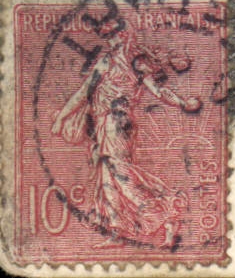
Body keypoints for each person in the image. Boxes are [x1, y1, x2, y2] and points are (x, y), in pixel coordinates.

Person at [50, 17, 203, 249]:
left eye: (114, 35)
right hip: (103, 124)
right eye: (108, 37)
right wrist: (62, 117)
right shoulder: (107, 61)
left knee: (120, 174)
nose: (111, 40)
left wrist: (182, 102)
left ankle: (168, 214)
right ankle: (118, 231)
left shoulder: (137, 62)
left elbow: (159, 91)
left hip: (118, 122)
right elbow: (84, 92)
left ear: (125, 35)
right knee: (107, 176)